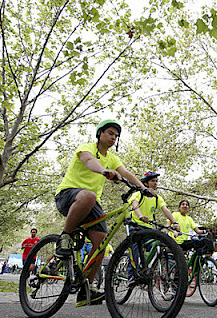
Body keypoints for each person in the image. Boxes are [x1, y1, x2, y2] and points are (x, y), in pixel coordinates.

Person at [54, 119, 149, 307]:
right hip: (69, 195)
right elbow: (89, 161)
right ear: (100, 133)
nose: (114, 137)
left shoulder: (113, 158)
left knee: (102, 242)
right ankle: (65, 237)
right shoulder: (86, 148)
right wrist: (104, 171)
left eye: (116, 135)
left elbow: (126, 173)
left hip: (90, 203)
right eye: (110, 133)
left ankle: (85, 289)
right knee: (89, 195)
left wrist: (143, 188)